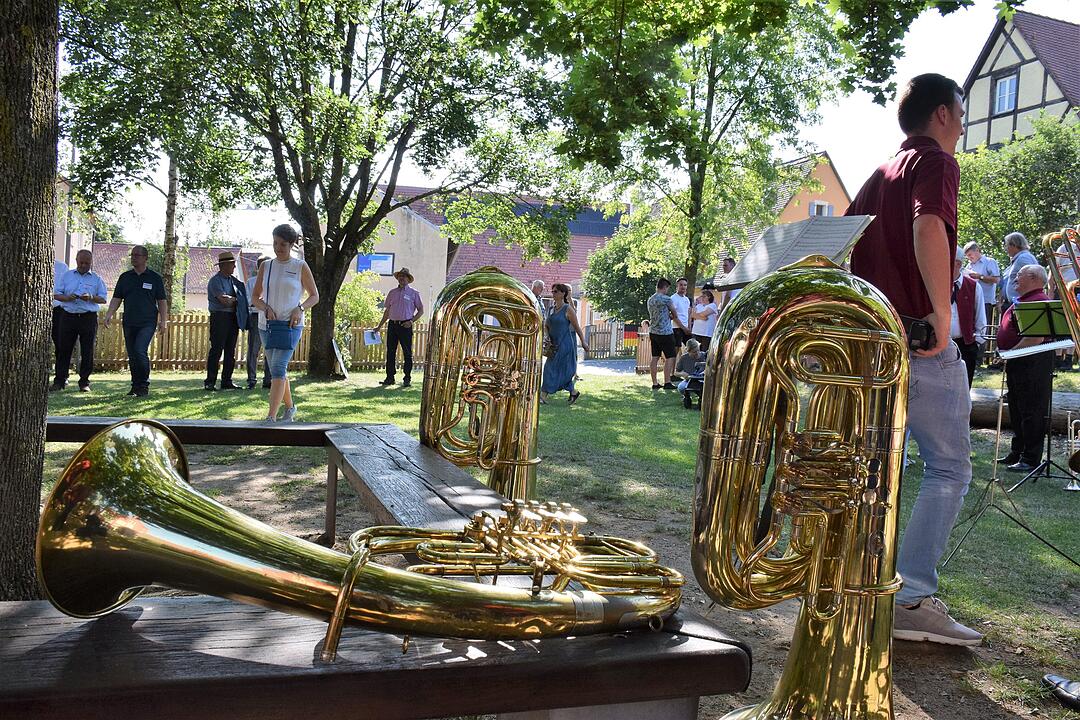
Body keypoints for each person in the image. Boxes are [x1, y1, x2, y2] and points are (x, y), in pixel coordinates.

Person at [845, 73, 983, 646]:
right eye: (964, 109)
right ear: (944, 115)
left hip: (873, 340)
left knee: (878, 468)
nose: (965, 121)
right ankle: (914, 598)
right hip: (919, 339)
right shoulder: (937, 163)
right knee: (949, 467)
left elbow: (841, 242)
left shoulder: (880, 172)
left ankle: (865, 584)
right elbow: (929, 225)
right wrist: (941, 317)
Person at [250, 225, 319, 422]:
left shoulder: (300, 266)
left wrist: (300, 308)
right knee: (276, 369)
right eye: (275, 243)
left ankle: (270, 417)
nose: (278, 247)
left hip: (290, 325)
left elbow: (314, 296)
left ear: (291, 244)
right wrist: (265, 308)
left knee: (278, 367)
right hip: (267, 326)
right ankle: (290, 408)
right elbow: (255, 297)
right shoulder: (266, 266)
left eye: (282, 244)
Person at [995, 264, 1053, 473]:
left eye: (1019, 275)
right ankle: (1017, 452)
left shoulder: (1039, 302)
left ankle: (1030, 458)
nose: (1014, 278)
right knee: (1017, 409)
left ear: (1033, 278)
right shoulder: (1024, 299)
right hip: (1019, 361)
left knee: (1031, 410)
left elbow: (1035, 338)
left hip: (1032, 362)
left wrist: (1008, 354)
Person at [104, 245, 168, 397]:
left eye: (137, 255)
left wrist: (163, 321)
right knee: (132, 354)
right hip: (129, 321)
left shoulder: (155, 278)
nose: (134, 257)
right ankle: (135, 386)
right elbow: (117, 298)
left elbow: (162, 301)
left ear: (145, 258)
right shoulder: (125, 277)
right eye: (132, 255)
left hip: (147, 322)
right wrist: (109, 314)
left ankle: (144, 385)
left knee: (140, 350)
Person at [50, 250, 107, 392]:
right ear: (76, 260)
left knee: (87, 351)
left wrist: (91, 297)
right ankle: (60, 381)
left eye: (87, 263)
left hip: (88, 317)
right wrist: (68, 297)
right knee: (64, 349)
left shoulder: (96, 279)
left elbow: (103, 298)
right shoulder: (67, 276)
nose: (83, 265)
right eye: (81, 262)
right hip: (68, 315)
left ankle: (84, 382)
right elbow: (56, 294)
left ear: (91, 262)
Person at [204, 251, 248, 391]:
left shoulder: (233, 281)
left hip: (232, 318)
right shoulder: (215, 281)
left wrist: (234, 300)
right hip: (219, 317)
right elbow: (224, 301)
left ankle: (226, 381)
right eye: (232, 264)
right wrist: (238, 300)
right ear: (224, 265)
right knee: (216, 350)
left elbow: (238, 298)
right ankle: (210, 381)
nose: (234, 267)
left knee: (230, 350)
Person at [540, 283, 588, 404]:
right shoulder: (551, 309)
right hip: (553, 345)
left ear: (562, 294)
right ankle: (573, 392)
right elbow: (545, 325)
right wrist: (546, 336)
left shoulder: (568, 309)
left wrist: (583, 342)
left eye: (555, 291)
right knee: (550, 369)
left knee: (557, 369)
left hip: (565, 345)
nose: (553, 294)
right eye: (552, 291)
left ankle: (543, 395)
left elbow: (577, 327)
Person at [375, 267, 423, 387]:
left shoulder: (414, 293)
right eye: (400, 276)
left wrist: (411, 321)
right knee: (390, 352)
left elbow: (421, 310)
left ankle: (407, 379)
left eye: (404, 276)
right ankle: (390, 378)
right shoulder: (392, 293)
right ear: (398, 278)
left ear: (408, 279)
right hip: (393, 325)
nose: (402, 278)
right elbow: (387, 311)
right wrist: (379, 326)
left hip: (405, 325)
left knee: (407, 353)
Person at [950, 246, 986, 386]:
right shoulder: (936, 285)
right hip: (940, 343)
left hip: (965, 344)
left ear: (957, 264)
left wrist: (976, 341)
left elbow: (980, 317)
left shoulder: (973, 286)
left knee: (964, 386)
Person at [647, 278, 684, 390]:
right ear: (665, 287)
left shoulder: (650, 299)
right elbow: (674, 314)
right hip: (665, 332)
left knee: (655, 357)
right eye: (667, 288)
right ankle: (667, 381)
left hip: (653, 331)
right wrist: (672, 316)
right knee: (670, 356)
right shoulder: (666, 299)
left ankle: (655, 383)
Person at [245, 256, 271, 389]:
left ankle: (268, 379)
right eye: (263, 266)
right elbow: (249, 300)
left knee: (269, 349)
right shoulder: (251, 282)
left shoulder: (273, 282)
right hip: (256, 315)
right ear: (258, 267)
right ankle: (251, 379)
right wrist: (260, 302)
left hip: (270, 317)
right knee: (253, 349)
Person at [963, 241, 1000, 324]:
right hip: (971, 301)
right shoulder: (969, 266)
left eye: (970, 255)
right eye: (967, 256)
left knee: (984, 327)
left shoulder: (989, 261)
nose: (969, 258)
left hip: (985, 302)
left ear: (977, 250)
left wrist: (980, 276)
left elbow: (996, 280)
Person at [1002, 232, 1038, 310]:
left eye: (1007, 245)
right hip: (1017, 303)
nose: (1006, 249)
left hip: (1021, 304)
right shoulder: (1019, 258)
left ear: (1014, 245)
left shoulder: (1023, 258)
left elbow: (1033, 279)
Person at [674, 338, 706, 409]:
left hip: (702, 380)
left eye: (698, 350)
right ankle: (687, 398)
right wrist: (683, 374)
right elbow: (676, 372)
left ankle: (703, 399)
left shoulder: (705, 356)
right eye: (694, 352)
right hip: (689, 380)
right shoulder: (684, 358)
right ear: (688, 351)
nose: (697, 353)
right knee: (681, 387)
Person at [51, 258, 68, 383]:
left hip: (57, 310)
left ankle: (62, 375)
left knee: (61, 344)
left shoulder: (61, 267)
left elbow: (66, 289)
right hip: (36, 309)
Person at [671, 277, 691, 349]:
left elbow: (688, 314)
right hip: (676, 328)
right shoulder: (673, 298)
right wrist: (683, 328)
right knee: (676, 349)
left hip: (686, 328)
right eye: (681, 285)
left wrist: (688, 327)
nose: (683, 287)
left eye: (685, 285)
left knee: (693, 348)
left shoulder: (687, 299)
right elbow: (672, 315)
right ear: (677, 286)